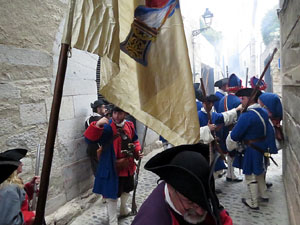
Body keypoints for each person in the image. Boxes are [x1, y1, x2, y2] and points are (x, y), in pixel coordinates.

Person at [131, 143, 233, 225]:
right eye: (190, 202)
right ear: (170, 187)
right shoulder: (151, 220)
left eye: (204, 201)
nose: (201, 212)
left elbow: (221, 217)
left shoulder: (194, 198)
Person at [84, 106, 142, 225]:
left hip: (127, 165)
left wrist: (137, 151)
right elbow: (89, 139)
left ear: (125, 113)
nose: (116, 116)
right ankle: (113, 221)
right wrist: (97, 125)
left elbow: (134, 140)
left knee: (128, 188)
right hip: (111, 166)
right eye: (115, 113)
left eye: (120, 113)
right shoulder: (107, 127)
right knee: (112, 195)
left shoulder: (130, 125)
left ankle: (123, 209)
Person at [226, 88, 277, 210]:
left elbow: (235, 135)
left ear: (250, 99)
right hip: (262, 147)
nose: (241, 101)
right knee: (260, 170)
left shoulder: (247, 115)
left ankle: (253, 202)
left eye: (243, 99)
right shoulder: (263, 112)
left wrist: (231, 144)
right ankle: (263, 194)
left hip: (252, 148)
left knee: (250, 175)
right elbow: (270, 130)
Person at [198, 94, 243, 182]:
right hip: (201, 147)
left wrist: (237, 109)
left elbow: (225, 116)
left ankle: (211, 187)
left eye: (209, 103)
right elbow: (193, 133)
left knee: (214, 169)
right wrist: (207, 129)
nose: (206, 105)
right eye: (205, 103)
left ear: (212, 104)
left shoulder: (214, 115)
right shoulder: (198, 116)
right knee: (203, 168)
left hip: (213, 147)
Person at [0, 148, 39, 225]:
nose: (22, 164)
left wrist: (30, 188)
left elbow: (20, 200)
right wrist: (31, 215)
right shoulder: (9, 190)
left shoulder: (13, 184)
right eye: (18, 162)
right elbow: (8, 222)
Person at [218, 74, 243, 182]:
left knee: (228, 152)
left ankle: (229, 173)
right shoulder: (238, 101)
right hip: (232, 129)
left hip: (222, 129)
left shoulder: (222, 99)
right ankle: (231, 174)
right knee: (232, 152)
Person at [85, 99, 107, 175]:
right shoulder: (99, 120)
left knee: (98, 169)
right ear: (98, 108)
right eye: (104, 107)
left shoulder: (89, 119)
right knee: (100, 171)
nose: (105, 109)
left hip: (93, 148)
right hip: (98, 148)